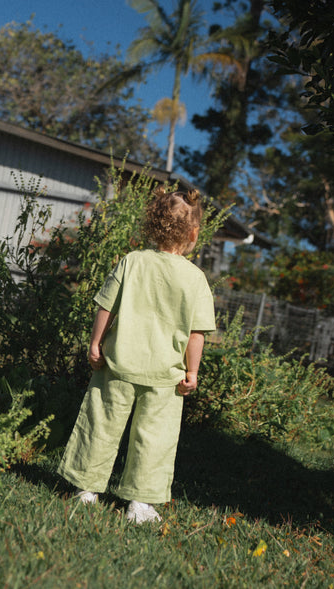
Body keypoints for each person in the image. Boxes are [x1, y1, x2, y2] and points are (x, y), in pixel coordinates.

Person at [57, 185, 216, 523]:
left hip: (118, 364)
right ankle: (141, 504)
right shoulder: (196, 279)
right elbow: (196, 334)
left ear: (154, 225)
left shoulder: (133, 262)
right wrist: (193, 372)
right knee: (154, 439)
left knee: (100, 425)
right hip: (165, 377)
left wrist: (95, 343)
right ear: (194, 232)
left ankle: (86, 489)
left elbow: (106, 306)